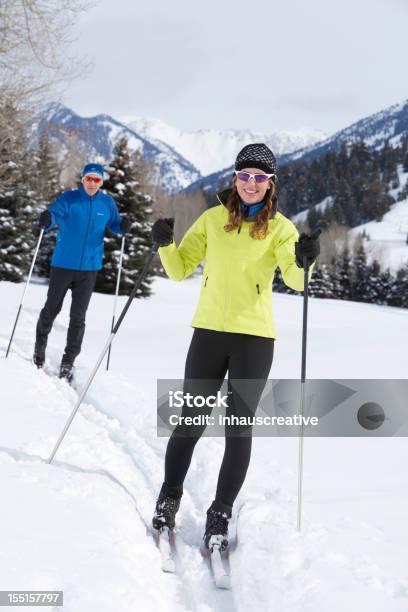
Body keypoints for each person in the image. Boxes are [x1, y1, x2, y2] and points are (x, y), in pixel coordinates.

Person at [150, 143, 320, 552]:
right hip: (208, 333)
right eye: (244, 176)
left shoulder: (281, 228)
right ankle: (169, 496)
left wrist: (306, 260)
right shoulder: (211, 219)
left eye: (259, 178)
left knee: (238, 430)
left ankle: (221, 511)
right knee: (189, 422)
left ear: (270, 184)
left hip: (254, 339)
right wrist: (164, 244)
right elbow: (179, 270)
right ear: (235, 179)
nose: (250, 184)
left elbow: (297, 282)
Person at [34, 162, 131, 382]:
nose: (92, 183)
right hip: (63, 265)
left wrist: (123, 226)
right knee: (51, 309)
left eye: (97, 180)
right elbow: (55, 215)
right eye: (89, 179)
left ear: (101, 182)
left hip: (89, 268)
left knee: (78, 317)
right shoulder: (69, 199)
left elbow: (115, 224)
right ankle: (39, 349)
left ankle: (68, 362)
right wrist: (48, 220)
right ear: (83, 179)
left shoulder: (106, 203)